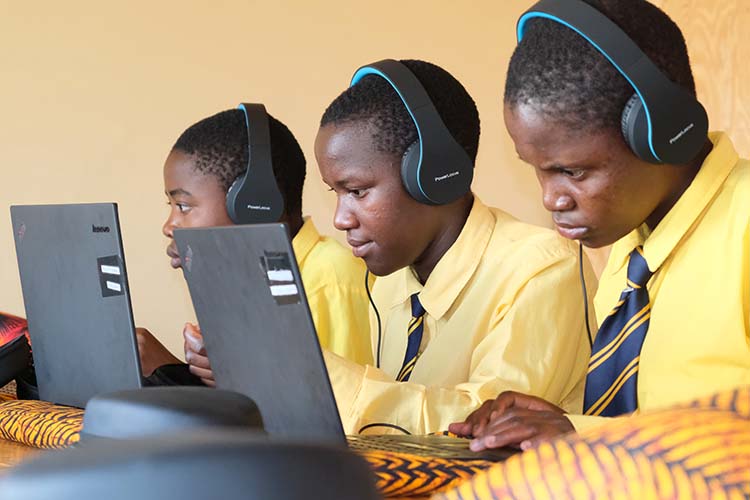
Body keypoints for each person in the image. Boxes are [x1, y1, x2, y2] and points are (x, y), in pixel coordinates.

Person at [450, 0, 750, 451]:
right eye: (538, 169)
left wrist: (593, 436)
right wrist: (567, 424)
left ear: (663, 131)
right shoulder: (629, 250)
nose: (550, 198)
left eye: (573, 172)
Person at [315, 59, 595, 435]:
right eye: (336, 193)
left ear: (432, 175)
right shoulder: (390, 284)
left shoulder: (541, 271)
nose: (340, 219)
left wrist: (320, 377)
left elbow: (483, 431)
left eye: (356, 191)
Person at [137, 107, 374, 384]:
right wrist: (169, 370)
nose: (169, 226)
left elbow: (346, 417)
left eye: (184, 206)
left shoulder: (330, 280)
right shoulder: (248, 282)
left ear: (254, 206)